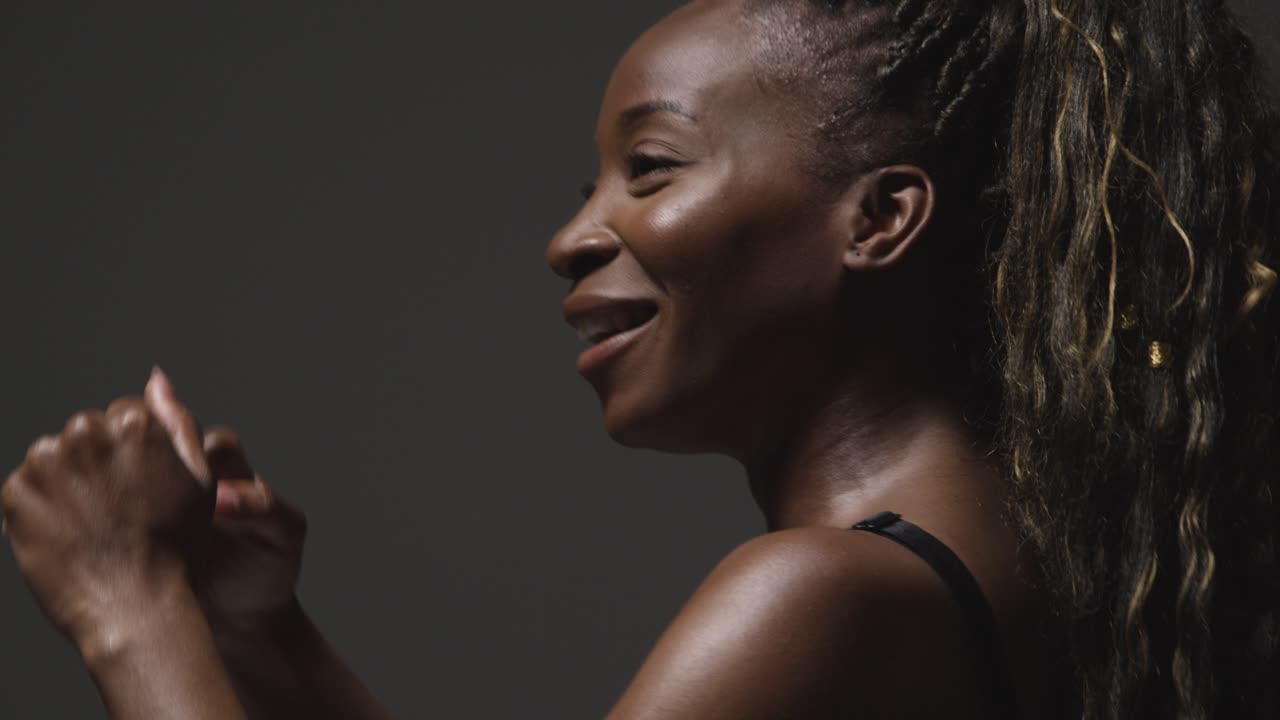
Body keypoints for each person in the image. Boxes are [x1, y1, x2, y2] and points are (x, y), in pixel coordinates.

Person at [3, 0, 1277, 717]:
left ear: (879, 218)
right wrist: (273, 642)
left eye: (648, 170)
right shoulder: (1012, 570)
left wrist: (128, 609)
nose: (567, 239)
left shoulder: (823, 599)